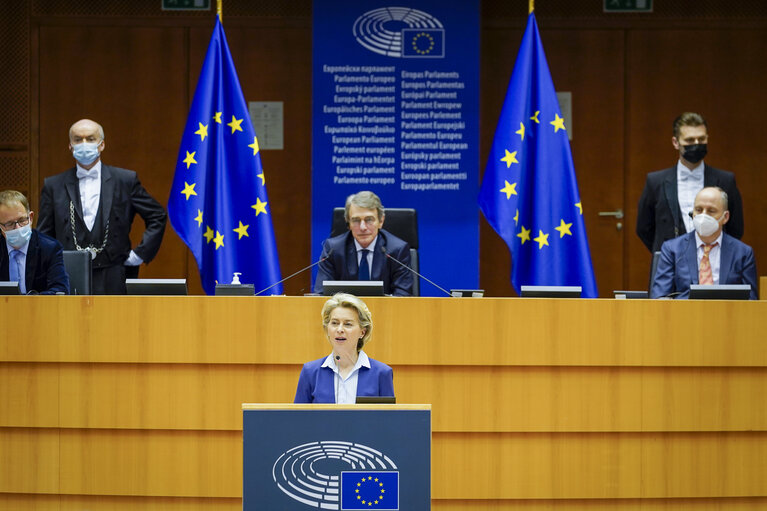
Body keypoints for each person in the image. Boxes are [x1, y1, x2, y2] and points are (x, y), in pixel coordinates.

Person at [37, 119, 167, 294]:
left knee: (114, 321)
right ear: (70, 146)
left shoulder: (125, 180)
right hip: (68, 273)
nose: (84, 144)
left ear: (101, 145)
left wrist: (139, 255)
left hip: (115, 273)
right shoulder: (53, 185)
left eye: (90, 139)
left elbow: (157, 215)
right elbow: (44, 233)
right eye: (78, 139)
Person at [636, 112, 744, 253]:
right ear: (676, 142)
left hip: (713, 260)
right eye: (690, 140)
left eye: (701, 139)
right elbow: (643, 228)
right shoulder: (655, 181)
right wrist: (667, 252)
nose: (697, 144)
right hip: (670, 264)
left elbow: (736, 227)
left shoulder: (725, 180)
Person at [651, 187, 757, 300]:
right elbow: (660, 297)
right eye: (699, 209)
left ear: (725, 217)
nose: (703, 216)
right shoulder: (672, 249)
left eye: (711, 211)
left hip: (727, 315)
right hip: (684, 315)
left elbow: (751, 301)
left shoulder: (743, 253)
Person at [294, 293, 394, 403]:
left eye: (348, 324)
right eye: (335, 323)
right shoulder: (310, 372)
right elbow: (298, 418)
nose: (340, 329)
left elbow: (388, 419)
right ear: (327, 329)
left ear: (362, 332)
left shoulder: (382, 373)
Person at [313, 191, 413, 296]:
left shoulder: (397, 250)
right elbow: (321, 295)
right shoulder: (333, 250)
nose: (363, 227)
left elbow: (403, 297)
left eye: (369, 220)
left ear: (381, 221)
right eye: (356, 220)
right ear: (348, 223)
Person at [0, 190, 69, 294]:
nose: (18, 228)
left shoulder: (50, 248)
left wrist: (31, 301)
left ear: (31, 217)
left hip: (40, 309)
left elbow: (60, 290)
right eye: (10, 224)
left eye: (22, 220)